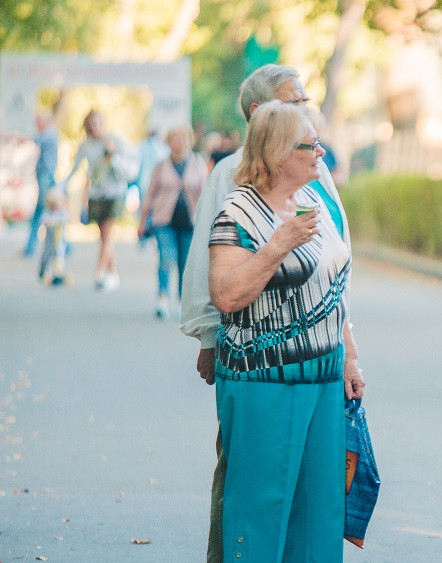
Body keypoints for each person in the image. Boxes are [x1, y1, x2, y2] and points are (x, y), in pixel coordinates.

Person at [180, 64, 363, 562]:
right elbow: (221, 288)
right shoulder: (235, 200)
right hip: (265, 378)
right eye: (307, 143)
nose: (319, 150)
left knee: (317, 514)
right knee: (259, 508)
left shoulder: (316, 193)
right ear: (272, 139)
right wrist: (208, 342)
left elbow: (335, 277)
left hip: (320, 377)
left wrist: (347, 355)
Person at [60, 110, 138, 291]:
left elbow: (129, 165)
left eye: (98, 123)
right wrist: (60, 186)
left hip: (115, 193)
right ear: (87, 126)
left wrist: (112, 155)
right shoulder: (85, 146)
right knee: (103, 236)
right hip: (97, 194)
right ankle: (113, 274)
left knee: (107, 233)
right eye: (92, 123)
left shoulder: (114, 140)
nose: (95, 126)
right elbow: (75, 168)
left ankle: (99, 272)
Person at [137, 125, 207, 318]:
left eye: (183, 137)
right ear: (168, 142)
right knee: (166, 258)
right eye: (175, 138)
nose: (179, 142)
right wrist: (143, 222)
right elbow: (149, 195)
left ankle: (181, 301)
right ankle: (162, 298)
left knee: (185, 263)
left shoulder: (197, 163)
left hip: (190, 222)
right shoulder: (160, 166)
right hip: (163, 220)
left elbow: (205, 194)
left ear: (189, 140)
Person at [23, 111, 60, 257]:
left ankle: (31, 246)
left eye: (39, 121)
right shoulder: (50, 134)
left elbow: (32, 139)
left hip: (46, 175)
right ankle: (32, 245)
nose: (36, 125)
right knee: (48, 209)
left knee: (45, 209)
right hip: (46, 175)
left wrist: (8, 136)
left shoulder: (49, 134)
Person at [38, 189, 70, 286]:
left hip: (60, 242)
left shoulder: (63, 213)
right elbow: (44, 220)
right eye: (54, 205)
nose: (57, 207)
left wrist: (59, 220)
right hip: (49, 242)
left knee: (59, 257)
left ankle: (58, 274)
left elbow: (66, 218)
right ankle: (44, 270)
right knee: (47, 256)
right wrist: (51, 221)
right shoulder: (47, 214)